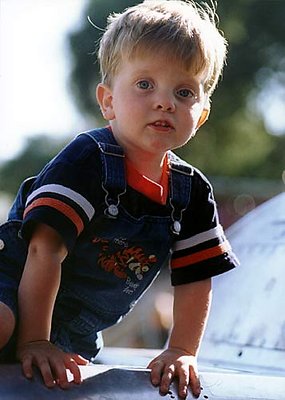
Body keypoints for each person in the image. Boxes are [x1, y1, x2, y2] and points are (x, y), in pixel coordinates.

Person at [0, 0, 239, 398]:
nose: (165, 102)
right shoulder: (87, 159)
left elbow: (195, 278)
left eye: (183, 91)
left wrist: (181, 349)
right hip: (13, 289)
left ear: (200, 115)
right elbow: (44, 251)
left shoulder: (191, 192)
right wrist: (34, 341)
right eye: (145, 85)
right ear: (108, 100)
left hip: (74, 333)